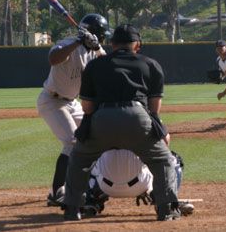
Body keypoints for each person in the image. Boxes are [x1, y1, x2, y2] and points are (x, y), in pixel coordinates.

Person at [63, 24, 180, 221]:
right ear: (137, 45)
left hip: (102, 118)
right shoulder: (150, 64)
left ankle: (73, 209)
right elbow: (154, 109)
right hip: (137, 117)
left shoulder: (95, 65)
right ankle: (165, 208)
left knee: (79, 159)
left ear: (112, 44)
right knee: (163, 160)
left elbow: (87, 107)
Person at [36, 13, 109, 207]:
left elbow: (110, 66)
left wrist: (98, 48)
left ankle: (90, 184)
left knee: (93, 137)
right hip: (52, 101)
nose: (102, 39)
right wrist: (78, 40)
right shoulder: (69, 43)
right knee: (72, 142)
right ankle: (57, 192)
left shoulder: (94, 49)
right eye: (101, 36)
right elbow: (53, 58)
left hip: (73, 102)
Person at [81, 149, 194, 217]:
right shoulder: (141, 120)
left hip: (105, 186)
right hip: (141, 183)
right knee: (173, 158)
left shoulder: (98, 120)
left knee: (84, 159)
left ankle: (91, 200)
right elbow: (163, 144)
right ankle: (165, 202)